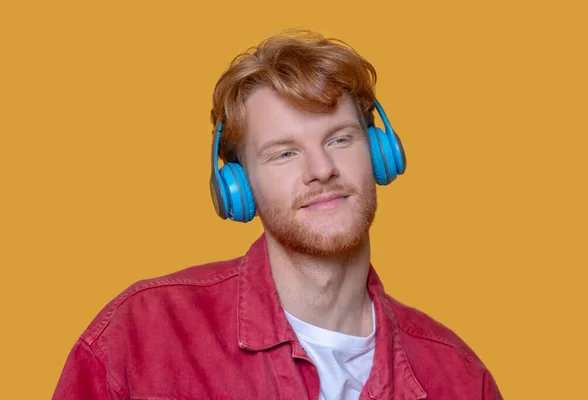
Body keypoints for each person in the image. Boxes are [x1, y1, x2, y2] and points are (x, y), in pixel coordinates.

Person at [53, 29, 503, 399]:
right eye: (284, 154)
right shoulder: (141, 339)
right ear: (240, 188)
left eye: (340, 139)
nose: (321, 170)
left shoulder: (458, 380)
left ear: (380, 155)